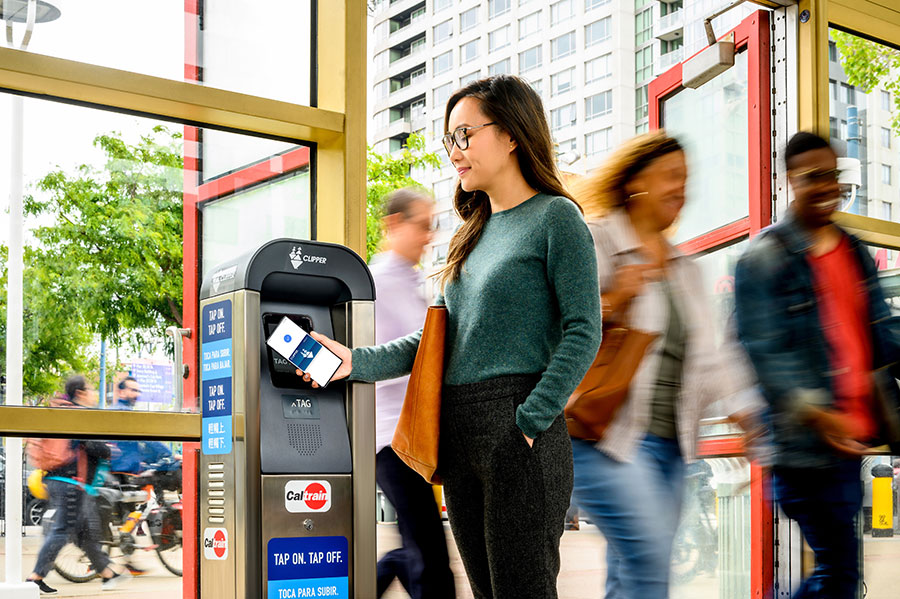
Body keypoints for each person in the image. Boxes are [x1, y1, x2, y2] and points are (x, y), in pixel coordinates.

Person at [296, 74, 602, 598]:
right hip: (460, 433)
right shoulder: (471, 235)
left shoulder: (557, 217)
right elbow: (434, 342)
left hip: (517, 427)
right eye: (449, 140)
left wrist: (529, 420)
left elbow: (583, 329)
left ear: (510, 134)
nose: (454, 151)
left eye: (465, 135)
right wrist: (352, 361)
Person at [570, 131, 762, 599]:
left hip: (670, 448)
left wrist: (746, 408)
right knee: (650, 558)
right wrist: (616, 296)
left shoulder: (685, 269)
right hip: (603, 436)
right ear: (635, 183)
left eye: (687, 179)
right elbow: (559, 322)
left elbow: (710, 359)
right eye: (671, 176)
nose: (682, 189)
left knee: (634, 570)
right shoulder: (596, 241)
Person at [734, 131, 900, 599]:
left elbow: (878, 338)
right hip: (805, 445)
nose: (827, 185)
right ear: (790, 180)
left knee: (841, 569)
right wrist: (818, 413)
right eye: (813, 177)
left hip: (850, 440)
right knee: (840, 573)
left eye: (832, 175)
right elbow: (765, 353)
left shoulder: (853, 251)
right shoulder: (765, 257)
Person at [369, 187, 456, 599]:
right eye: (421, 226)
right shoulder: (377, 282)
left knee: (420, 543)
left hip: (413, 436)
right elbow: (383, 360)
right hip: (388, 436)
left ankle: (368, 583)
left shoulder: (412, 281)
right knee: (429, 551)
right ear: (393, 225)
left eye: (431, 226)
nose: (428, 236)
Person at [27, 375, 132, 594]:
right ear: (80, 393)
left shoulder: (62, 411)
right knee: (62, 530)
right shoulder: (76, 414)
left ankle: (106, 574)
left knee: (85, 534)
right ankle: (34, 577)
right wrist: (109, 450)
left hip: (61, 481)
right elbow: (91, 445)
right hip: (69, 483)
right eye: (91, 389)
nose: (94, 393)